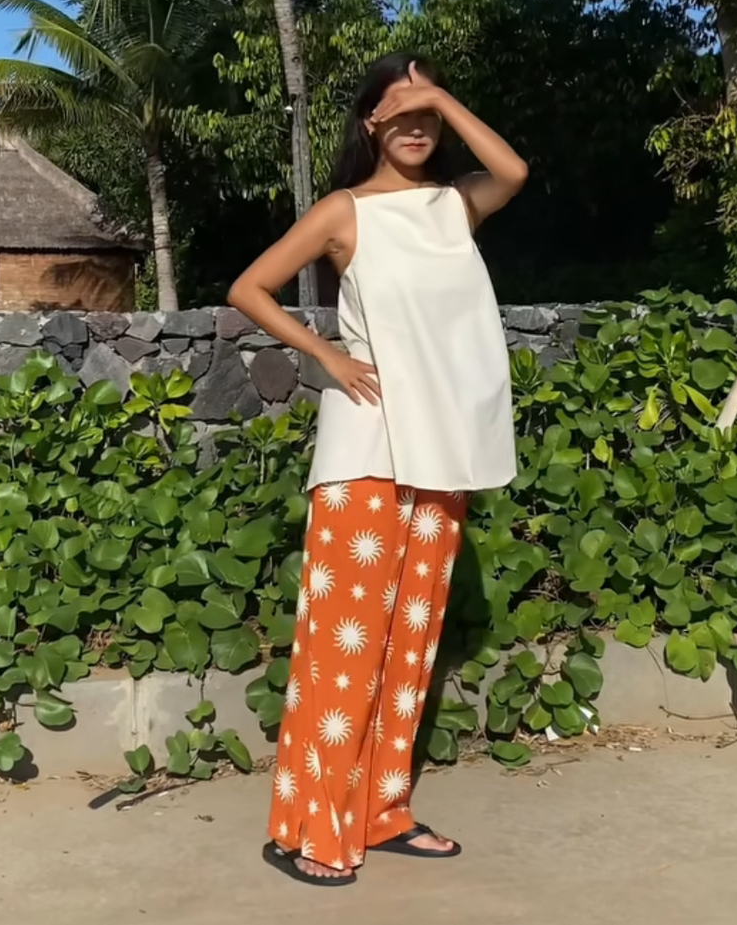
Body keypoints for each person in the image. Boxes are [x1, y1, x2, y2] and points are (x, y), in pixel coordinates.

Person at [227, 53, 528, 886]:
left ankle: (382, 811)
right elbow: (251, 287)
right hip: (366, 445)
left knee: (409, 647)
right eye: (400, 109)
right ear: (371, 124)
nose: (418, 123)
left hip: (442, 452)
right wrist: (327, 353)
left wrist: (439, 94)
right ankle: (309, 828)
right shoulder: (344, 210)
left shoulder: (454, 206)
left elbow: (512, 171)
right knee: (346, 647)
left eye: (428, 111)